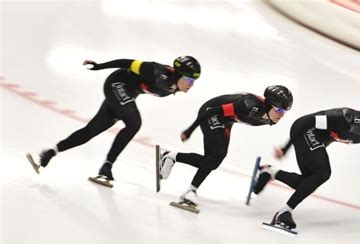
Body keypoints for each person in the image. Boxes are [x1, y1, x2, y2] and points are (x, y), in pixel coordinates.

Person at [27, 56, 201, 182]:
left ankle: (50, 152)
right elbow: (127, 63)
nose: (190, 85)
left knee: (90, 131)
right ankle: (107, 166)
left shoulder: (173, 87)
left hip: (127, 94)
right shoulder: (155, 71)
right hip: (116, 84)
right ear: (178, 74)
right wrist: (98, 66)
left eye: (193, 82)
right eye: (189, 80)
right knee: (134, 123)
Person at [254, 96, 360, 230]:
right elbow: (306, 121)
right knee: (323, 173)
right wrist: (286, 147)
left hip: (315, 140)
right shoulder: (347, 118)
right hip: (305, 131)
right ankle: (284, 213)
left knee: (306, 183)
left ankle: (270, 172)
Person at [160, 85, 293, 205]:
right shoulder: (248, 104)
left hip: (227, 121)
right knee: (219, 154)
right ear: (269, 104)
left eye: (284, 112)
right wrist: (190, 130)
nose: (281, 116)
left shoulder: (272, 118)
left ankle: (171, 156)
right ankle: (190, 191)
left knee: (212, 161)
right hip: (211, 112)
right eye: (280, 111)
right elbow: (210, 112)